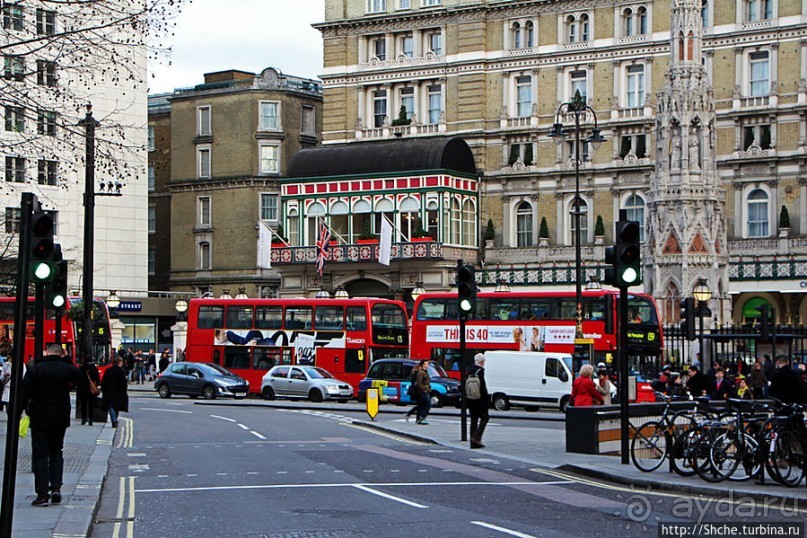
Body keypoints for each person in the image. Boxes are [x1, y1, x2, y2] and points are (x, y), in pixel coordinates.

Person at [20, 344, 87, 506]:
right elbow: (83, 382)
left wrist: (22, 410)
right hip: (60, 416)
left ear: (47, 352)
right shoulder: (67, 369)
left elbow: (24, 392)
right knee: (57, 452)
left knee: (40, 455)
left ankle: (42, 494)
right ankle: (56, 488)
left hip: (39, 415)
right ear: (61, 354)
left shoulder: (36, 369)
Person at [468, 354, 489, 449]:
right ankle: (476, 437)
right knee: (485, 418)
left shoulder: (469, 371)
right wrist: (486, 400)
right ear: (482, 362)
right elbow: (482, 387)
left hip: (470, 399)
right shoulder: (480, 371)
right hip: (480, 400)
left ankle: (473, 443)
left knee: (473, 420)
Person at [101, 356, 129, 428]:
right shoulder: (121, 371)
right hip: (118, 392)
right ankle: (114, 420)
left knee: (111, 406)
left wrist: (104, 389)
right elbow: (124, 383)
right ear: (120, 362)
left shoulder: (108, 370)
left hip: (109, 391)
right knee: (116, 407)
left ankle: (114, 421)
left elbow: (104, 381)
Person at [78, 358, 100, 425]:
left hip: (83, 388)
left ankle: (84, 418)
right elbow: (97, 378)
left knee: (83, 404)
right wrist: (97, 385)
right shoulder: (94, 368)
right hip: (91, 389)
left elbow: (78, 378)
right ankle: (91, 419)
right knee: (91, 405)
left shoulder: (81, 368)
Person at [414, 360, 432, 425]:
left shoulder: (425, 372)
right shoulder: (421, 373)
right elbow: (419, 383)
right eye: (426, 364)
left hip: (426, 390)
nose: (427, 365)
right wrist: (424, 390)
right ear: (423, 365)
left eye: (427, 364)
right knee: (428, 404)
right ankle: (422, 417)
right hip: (423, 391)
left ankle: (419, 419)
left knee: (422, 405)